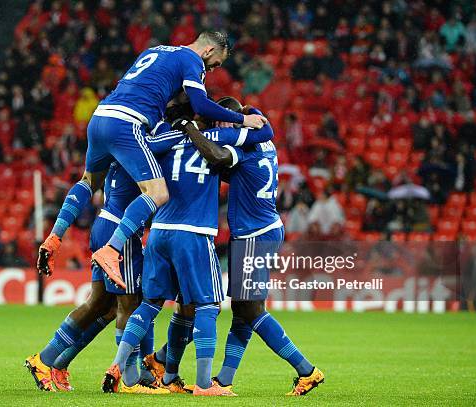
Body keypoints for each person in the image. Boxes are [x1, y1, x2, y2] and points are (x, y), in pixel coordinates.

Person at [36, 32, 267, 292]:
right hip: (128, 123)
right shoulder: (191, 59)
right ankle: (111, 249)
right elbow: (201, 105)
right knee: (157, 192)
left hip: (100, 116)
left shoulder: (154, 51)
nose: (212, 70)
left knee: (89, 182)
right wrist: (243, 120)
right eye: (215, 64)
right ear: (209, 50)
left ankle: (54, 237)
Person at [151, 98, 325, 396]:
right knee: (243, 310)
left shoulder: (241, 151)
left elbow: (217, 158)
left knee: (250, 309)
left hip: (254, 235)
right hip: (263, 229)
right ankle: (223, 378)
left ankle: (307, 370)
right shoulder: (263, 142)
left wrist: (191, 129)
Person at [101, 97, 273, 396]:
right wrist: (248, 119)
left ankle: (119, 366)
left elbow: (137, 149)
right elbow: (264, 132)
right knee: (208, 306)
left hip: (159, 231)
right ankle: (206, 385)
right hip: (193, 232)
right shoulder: (223, 135)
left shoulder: (168, 138)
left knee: (150, 304)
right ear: (219, 119)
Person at [25, 162, 162, 394]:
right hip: (121, 230)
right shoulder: (141, 146)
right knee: (130, 304)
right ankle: (129, 379)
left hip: (106, 224)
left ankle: (55, 362)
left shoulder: (120, 150)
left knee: (101, 306)